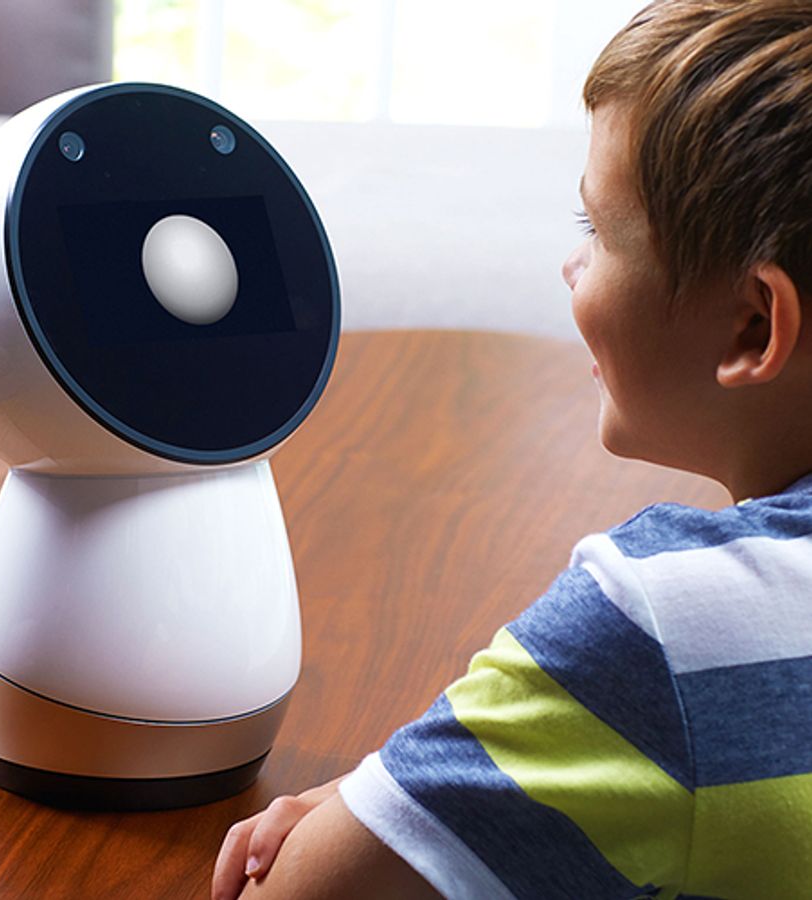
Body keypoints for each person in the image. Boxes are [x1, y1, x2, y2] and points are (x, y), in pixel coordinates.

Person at [212, 1, 812, 897]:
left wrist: (378, 801)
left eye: (596, 233)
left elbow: (296, 889)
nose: (573, 268)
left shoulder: (662, 623)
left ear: (752, 327)